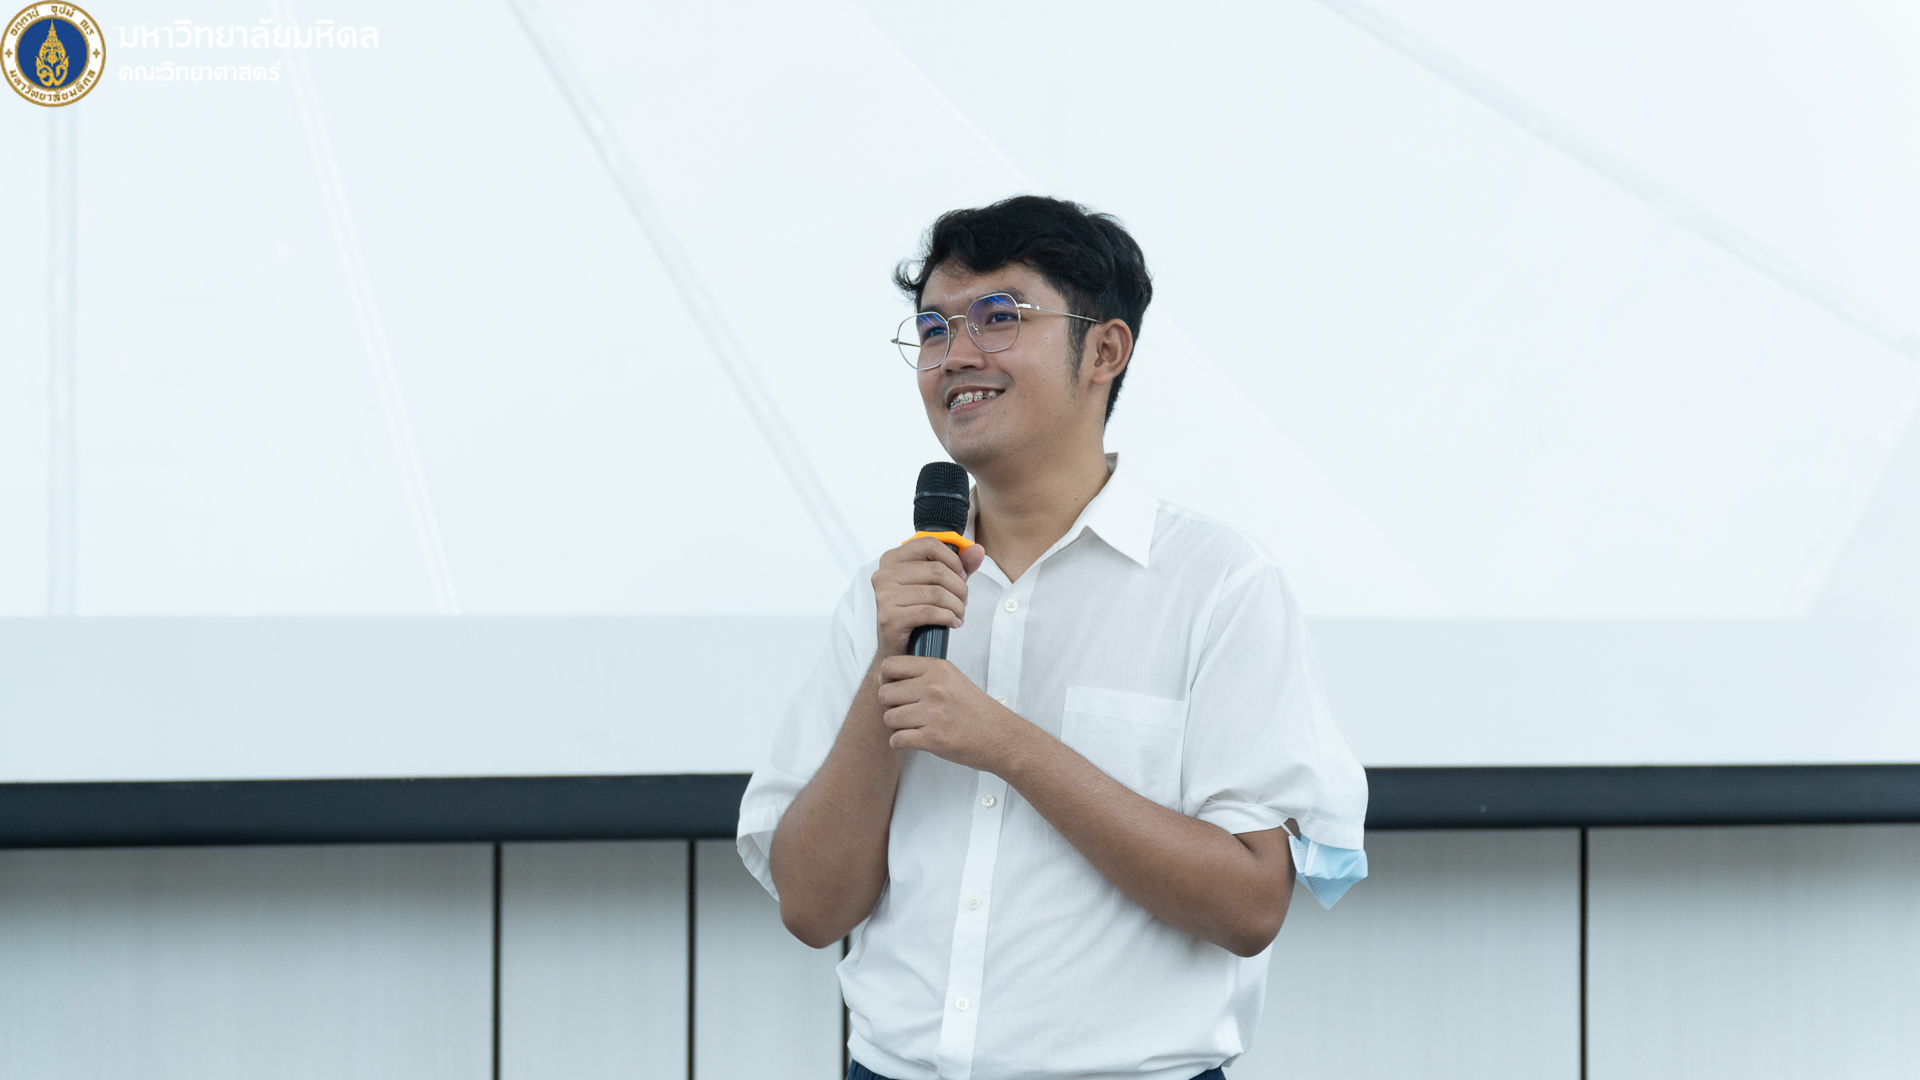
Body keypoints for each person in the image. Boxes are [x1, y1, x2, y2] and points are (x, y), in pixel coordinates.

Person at [737, 195, 1368, 1080]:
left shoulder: (1219, 585)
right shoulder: (891, 597)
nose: (956, 355)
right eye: (933, 328)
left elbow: (1250, 904)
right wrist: (889, 661)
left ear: (1104, 351)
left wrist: (1008, 744)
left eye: (998, 317)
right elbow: (811, 908)